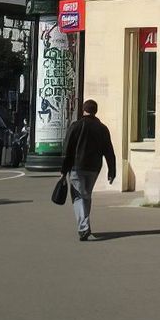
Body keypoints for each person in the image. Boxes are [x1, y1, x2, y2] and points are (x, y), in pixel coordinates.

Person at [59, 99, 116, 241]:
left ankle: (83, 227)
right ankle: (85, 224)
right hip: (94, 168)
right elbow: (109, 151)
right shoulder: (102, 128)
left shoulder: (76, 126)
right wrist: (112, 170)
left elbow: (67, 149)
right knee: (86, 195)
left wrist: (63, 170)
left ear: (83, 110)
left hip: (77, 166)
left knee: (78, 196)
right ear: (95, 111)